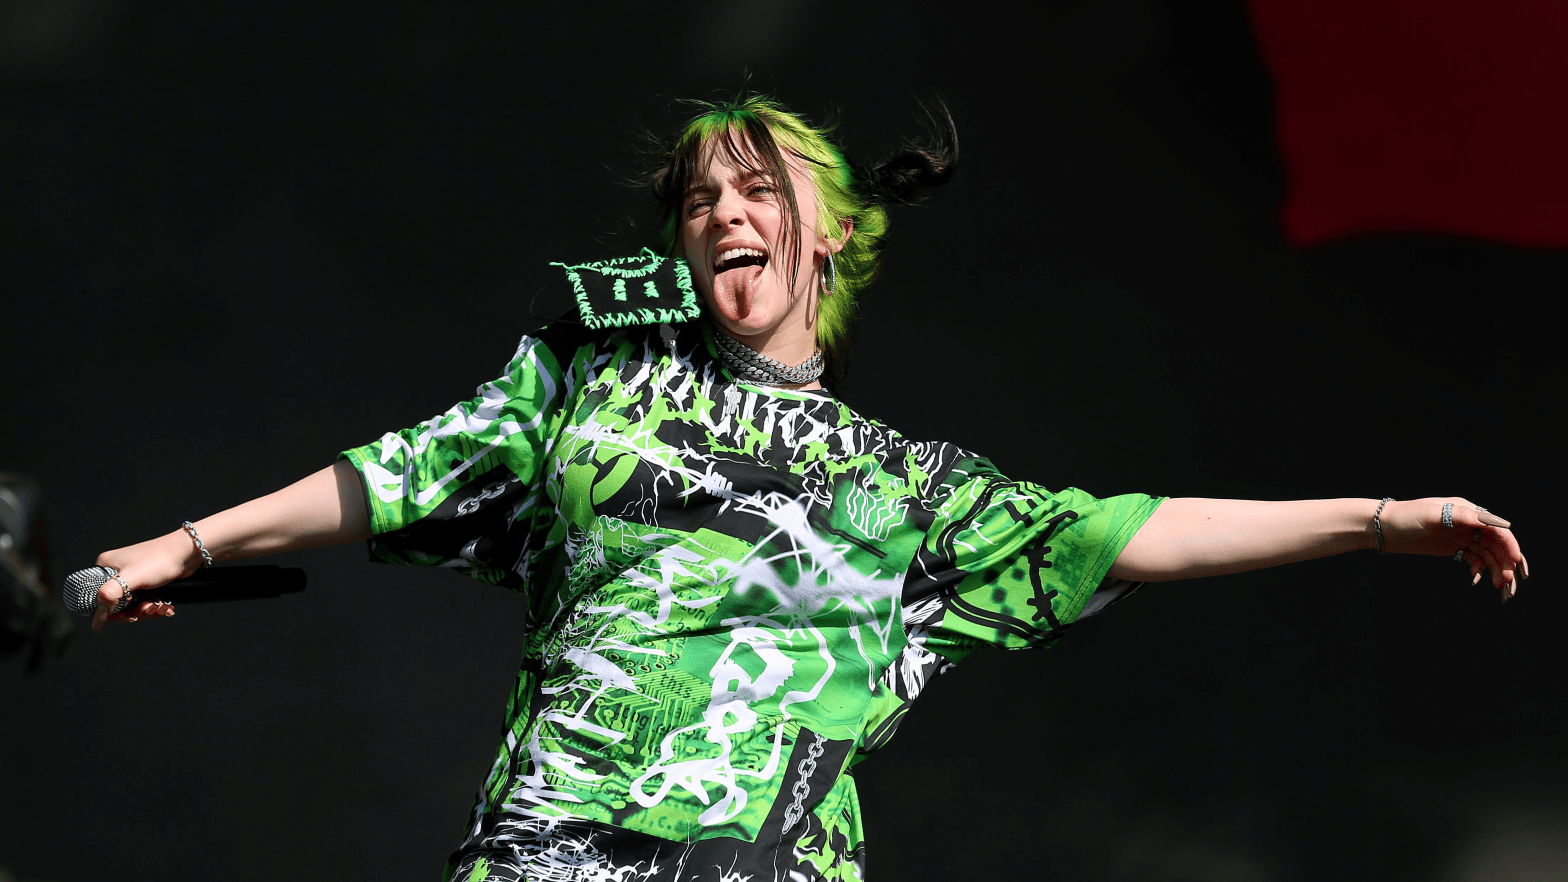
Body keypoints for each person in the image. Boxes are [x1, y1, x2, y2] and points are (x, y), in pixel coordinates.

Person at [89, 95, 1529, 882]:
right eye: (701, 198)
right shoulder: (592, 384)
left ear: (828, 231)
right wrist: (181, 546)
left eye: (758, 189)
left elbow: (1130, 534)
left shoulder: (907, 490)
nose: (725, 211)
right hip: (544, 850)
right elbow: (399, 473)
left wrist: (1380, 522)